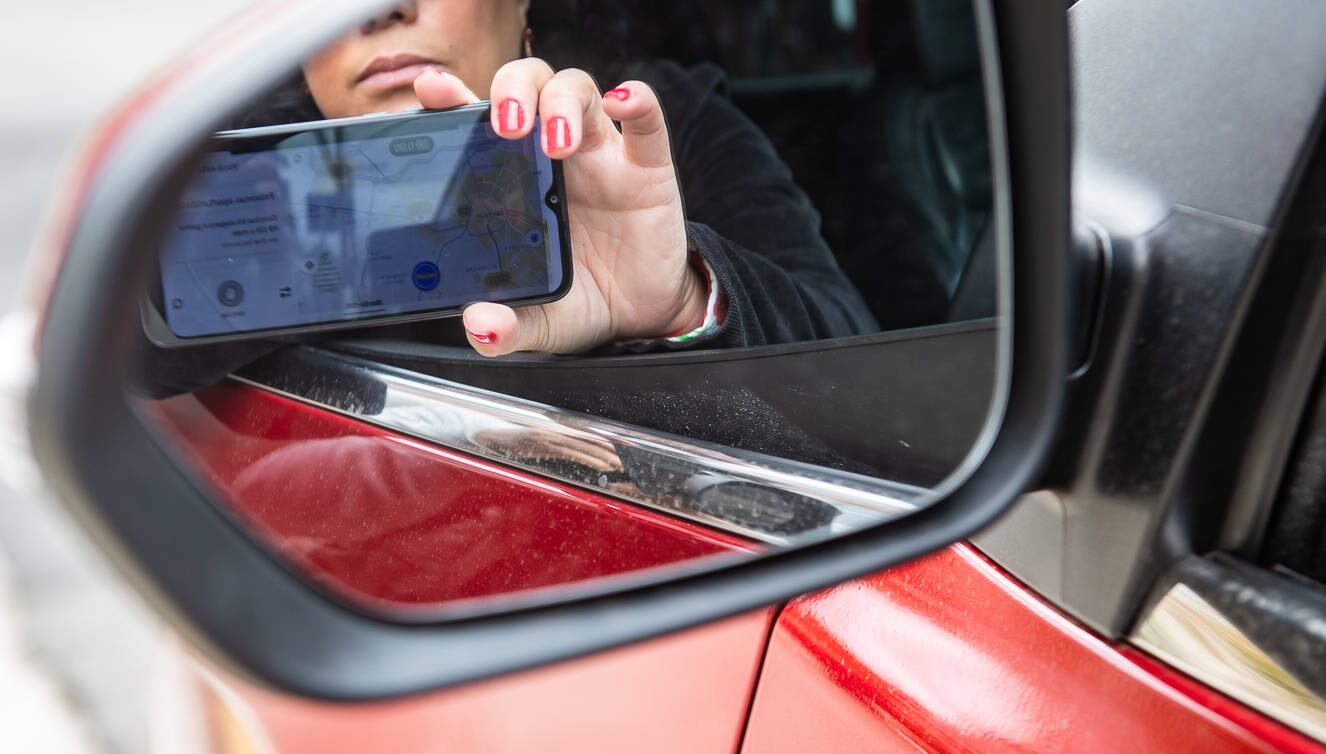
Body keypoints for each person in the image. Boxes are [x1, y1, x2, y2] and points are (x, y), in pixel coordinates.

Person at [290, 0, 875, 355]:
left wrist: (684, 298)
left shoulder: (651, 125)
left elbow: (857, 360)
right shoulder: (228, 175)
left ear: (521, 5)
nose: (380, 10)